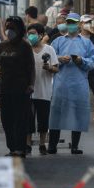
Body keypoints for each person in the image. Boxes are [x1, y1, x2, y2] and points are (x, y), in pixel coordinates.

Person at [0, 16, 36, 156]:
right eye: (7, 27)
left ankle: (20, 148)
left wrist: (31, 84)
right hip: (4, 88)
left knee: (20, 119)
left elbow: (31, 68)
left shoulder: (25, 46)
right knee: (7, 120)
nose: (9, 31)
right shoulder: (1, 46)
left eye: (12, 28)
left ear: (19, 30)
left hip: (22, 89)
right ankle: (12, 148)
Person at [48, 13, 94, 154]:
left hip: (79, 82)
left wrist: (81, 61)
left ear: (79, 24)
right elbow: (49, 58)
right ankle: (52, 145)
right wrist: (59, 59)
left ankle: (75, 146)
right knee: (56, 113)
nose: (71, 25)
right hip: (61, 82)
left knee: (78, 113)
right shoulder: (58, 41)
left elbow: (93, 61)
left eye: (73, 22)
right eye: (68, 22)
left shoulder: (86, 43)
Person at [27, 23, 58, 154]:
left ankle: (42, 144)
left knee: (43, 119)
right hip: (28, 90)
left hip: (44, 90)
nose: (30, 36)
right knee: (28, 119)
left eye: (33, 33)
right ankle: (27, 144)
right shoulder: (26, 49)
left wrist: (49, 68)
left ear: (40, 35)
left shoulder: (49, 49)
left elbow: (56, 68)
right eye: (29, 33)